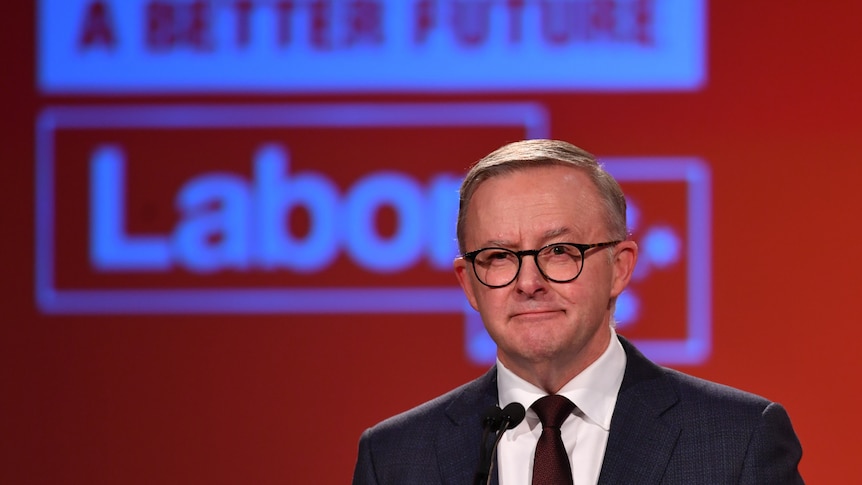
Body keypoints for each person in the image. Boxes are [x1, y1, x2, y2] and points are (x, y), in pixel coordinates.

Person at [352, 139, 803, 484]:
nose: (528, 283)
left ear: (620, 268)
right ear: (468, 283)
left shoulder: (737, 441)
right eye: (499, 256)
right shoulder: (395, 457)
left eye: (560, 251)